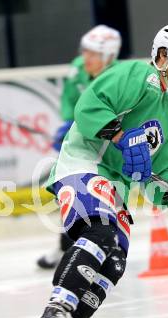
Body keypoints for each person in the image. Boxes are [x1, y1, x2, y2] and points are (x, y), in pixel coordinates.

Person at [27, 24, 168, 318]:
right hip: (83, 163)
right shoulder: (134, 74)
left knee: (115, 261)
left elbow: (160, 176)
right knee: (98, 231)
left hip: (115, 185)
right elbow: (87, 107)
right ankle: (55, 312)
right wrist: (118, 136)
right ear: (163, 55)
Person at [37, 24, 122, 269]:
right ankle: (64, 247)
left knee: (105, 205)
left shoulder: (119, 78)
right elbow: (70, 103)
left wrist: (80, 124)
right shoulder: (77, 70)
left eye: (93, 53)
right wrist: (67, 127)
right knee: (74, 196)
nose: (85, 57)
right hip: (83, 149)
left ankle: (100, 244)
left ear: (108, 56)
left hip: (109, 150)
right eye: (85, 51)